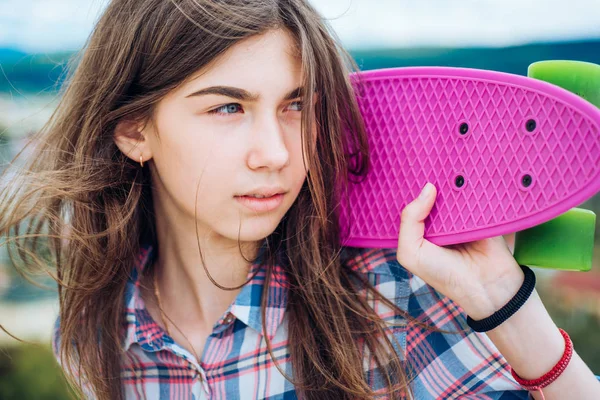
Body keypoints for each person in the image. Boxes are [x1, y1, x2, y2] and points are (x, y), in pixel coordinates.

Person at [0, 0, 598, 399]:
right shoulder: (96, 336)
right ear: (134, 130)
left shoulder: (383, 290)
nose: (276, 153)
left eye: (296, 105)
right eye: (227, 107)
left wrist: (505, 306)